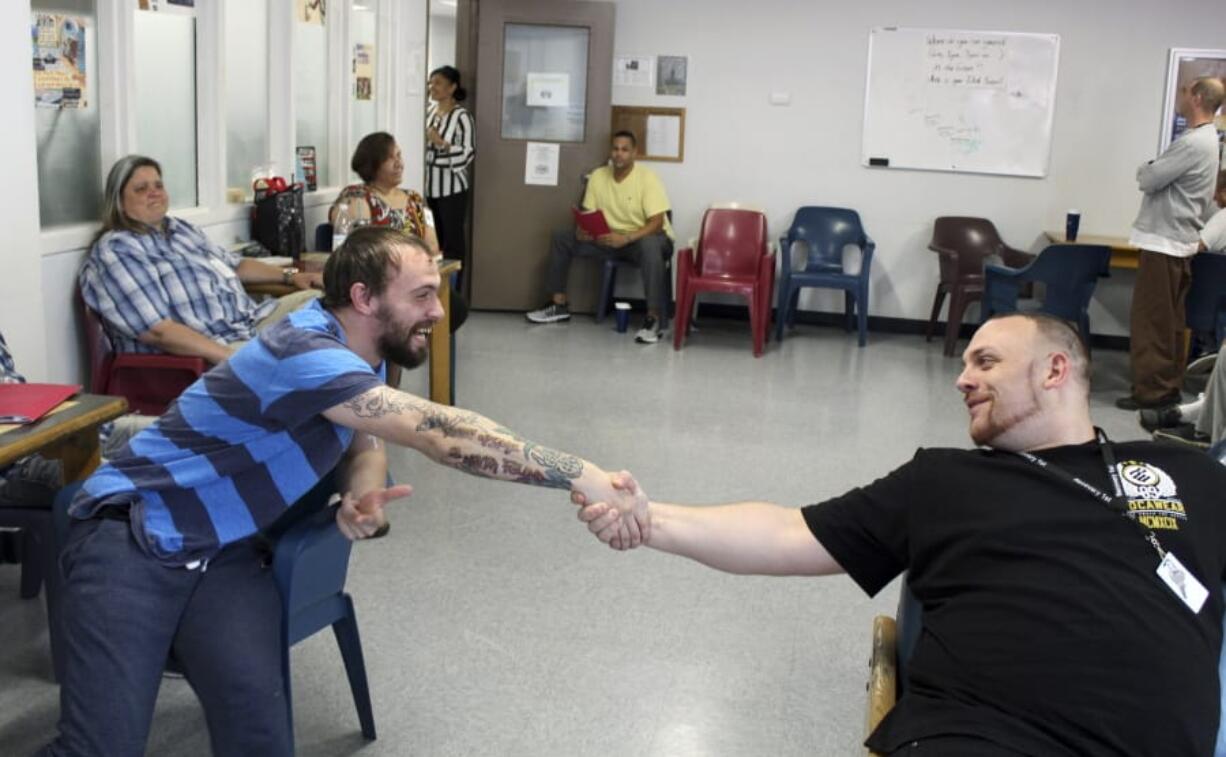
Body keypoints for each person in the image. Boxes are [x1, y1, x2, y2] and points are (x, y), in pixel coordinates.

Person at [39, 227, 647, 757]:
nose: (439, 310)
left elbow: (366, 443)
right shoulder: (303, 353)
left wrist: (361, 492)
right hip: (135, 534)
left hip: (221, 551)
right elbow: (439, 433)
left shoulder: (366, 352)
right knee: (103, 747)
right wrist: (586, 475)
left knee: (260, 735)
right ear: (363, 298)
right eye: (422, 295)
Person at [577, 312, 1226, 755]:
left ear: (1055, 370)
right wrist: (649, 517)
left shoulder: (1186, 471)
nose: (961, 377)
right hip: (981, 735)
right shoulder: (941, 480)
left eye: (987, 361)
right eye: (966, 362)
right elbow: (786, 532)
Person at [80, 155, 323, 367]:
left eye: (158, 185)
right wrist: (230, 357)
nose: (154, 192)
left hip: (248, 324)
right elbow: (159, 332)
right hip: (205, 352)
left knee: (325, 304)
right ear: (119, 202)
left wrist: (292, 276)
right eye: (141, 188)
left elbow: (236, 265)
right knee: (304, 362)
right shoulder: (117, 250)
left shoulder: (180, 230)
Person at [1116, 76, 1225, 411]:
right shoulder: (1209, 140)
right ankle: (1166, 386)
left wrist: (1146, 166)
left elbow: (1149, 178)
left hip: (1165, 243)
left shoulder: (1193, 143)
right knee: (1170, 322)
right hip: (1176, 242)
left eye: (1184, 92)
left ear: (1196, 97)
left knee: (1152, 321)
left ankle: (1152, 392)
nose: (1180, 97)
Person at [525, 130, 674, 345]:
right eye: (615, 149)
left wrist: (627, 238)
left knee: (650, 245)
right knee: (562, 236)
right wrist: (582, 230)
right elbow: (588, 213)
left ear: (634, 153)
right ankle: (558, 305)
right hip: (609, 240)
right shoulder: (598, 176)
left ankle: (652, 318)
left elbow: (657, 223)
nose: (619, 154)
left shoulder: (648, 179)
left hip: (645, 239)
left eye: (625, 150)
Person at [332, 131, 468, 335]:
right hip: (378, 281)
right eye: (390, 158)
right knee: (395, 314)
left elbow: (431, 245)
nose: (399, 163)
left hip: (413, 279)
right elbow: (360, 246)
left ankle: (401, 350)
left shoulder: (414, 199)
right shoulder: (358, 195)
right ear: (372, 164)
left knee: (454, 308)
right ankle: (393, 352)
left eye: (399, 156)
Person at [1140, 169, 1226, 447]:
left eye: (1218, 190)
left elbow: (1195, 247)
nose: (1213, 196)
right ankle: (1197, 419)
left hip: (1207, 306)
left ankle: (1201, 427)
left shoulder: (1223, 219)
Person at [425, 66, 475, 294]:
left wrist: (441, 144)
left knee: (453, 243)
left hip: (452, 189)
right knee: (433, 242)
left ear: (452, 87)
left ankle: (453, 296)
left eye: (438, 83)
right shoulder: (428, 113)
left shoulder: (462, 117)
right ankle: (433, 290)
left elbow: (467, 153)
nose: (432, 88)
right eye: (430, 83)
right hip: (429, 188)